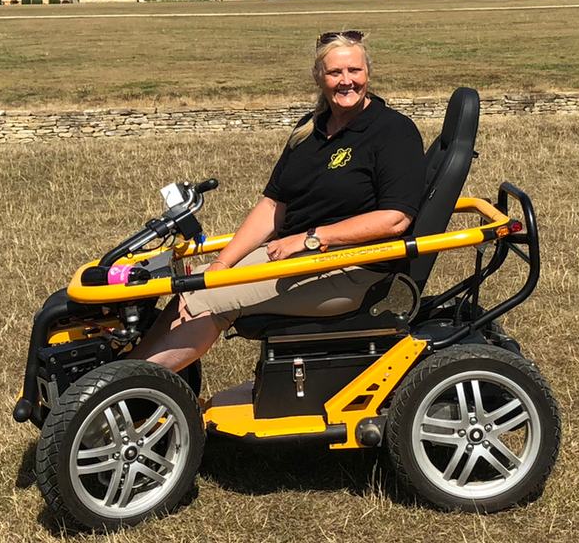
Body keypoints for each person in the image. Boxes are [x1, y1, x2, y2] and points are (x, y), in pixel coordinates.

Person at [131, 31, 425, 371]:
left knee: (208, 298)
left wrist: (311, 238)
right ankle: (129, 374)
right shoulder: (310, 128)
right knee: (194, 283)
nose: (346, 81)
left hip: (353, 271)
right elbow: (273, 206)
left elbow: (395, 218)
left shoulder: (393, 131)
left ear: (368, 74)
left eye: (354, 71)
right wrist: (222, 264)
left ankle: (129, 387)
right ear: (319, 77)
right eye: (335, 73)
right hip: (302, 259)